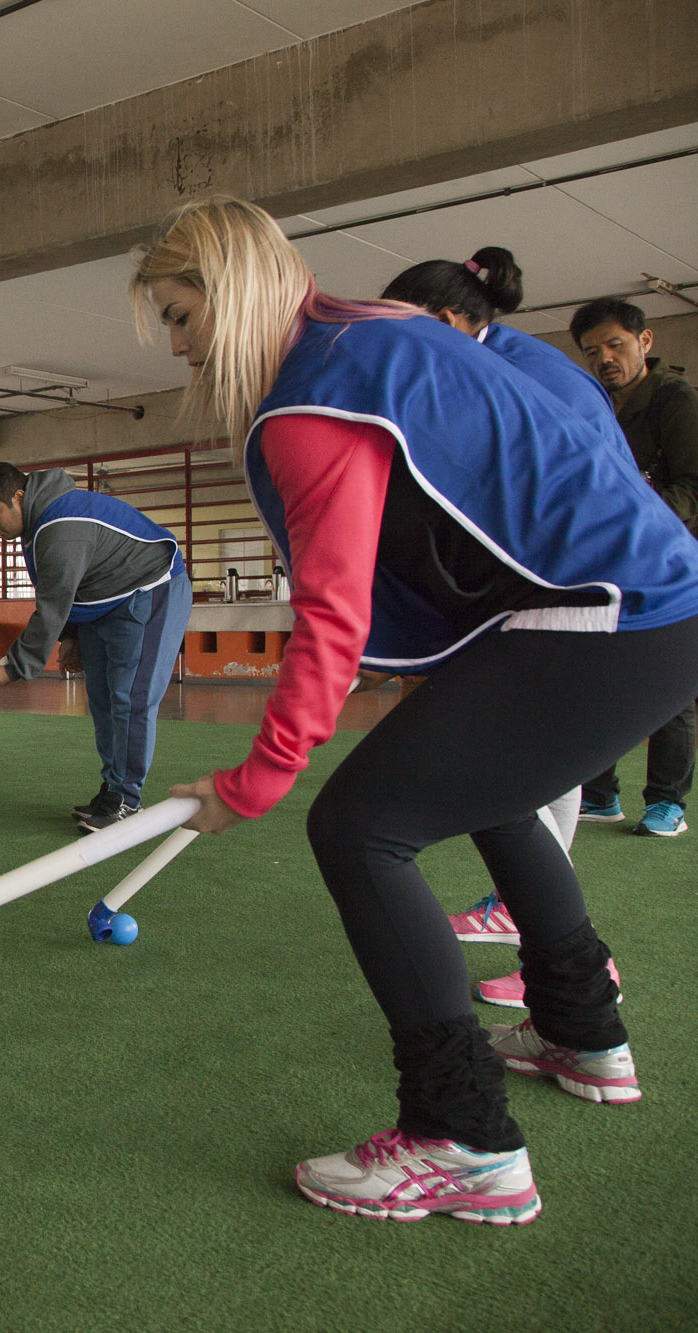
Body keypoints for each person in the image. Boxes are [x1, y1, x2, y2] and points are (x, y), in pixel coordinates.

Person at [136, 196, 698, 1224]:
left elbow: (331, 618)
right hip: (652, 601)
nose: (174, 346)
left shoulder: (308, 402)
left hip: (611, 616)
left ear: (228, 294)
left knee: (357, 826)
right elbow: (564, 404)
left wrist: (252, 779)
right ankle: (581, 1029)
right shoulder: (375, 327)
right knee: (486, 790)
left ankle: (461, 1140)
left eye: (178, 315)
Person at [380, 248, 619, 1005]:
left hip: (589, 590)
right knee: (523, 775)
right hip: (558, 590)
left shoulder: (528, 377)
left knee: (528, 768)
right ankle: (526, 918)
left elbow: (560, 498)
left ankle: (566, 958)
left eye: (408, 333)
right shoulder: (492, 362)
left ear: (452, 321)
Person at [0, 461, 192, 831]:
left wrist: (14, 667)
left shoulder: (60, 527)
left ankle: (126, 800)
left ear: (18, 497)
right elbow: (64, 588)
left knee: (130, 700)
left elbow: (53, 602)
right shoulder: (38, 523)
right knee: (103, 701)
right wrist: (70, 640)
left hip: (152, 591)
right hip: (103, 603)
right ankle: (112, 789)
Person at [570, 297, 698, 835]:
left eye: (615, 344)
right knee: (602, 677)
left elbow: (694, 488)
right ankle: (599, 794)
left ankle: (667, 802)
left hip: (672, 564)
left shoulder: (677, 402)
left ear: (644, 342)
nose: (605, 358)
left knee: (668, 685)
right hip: (612, 564)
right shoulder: (596, 407)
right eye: (593, 351)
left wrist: (629, 519)